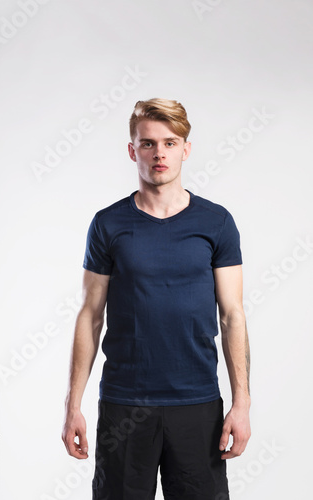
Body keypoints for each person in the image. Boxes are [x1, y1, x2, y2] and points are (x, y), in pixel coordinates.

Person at [61, 98, 251, 500]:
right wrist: (72, 404)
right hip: (124, 405)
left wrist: (242, 404)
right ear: (133, 150)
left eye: (170, 142)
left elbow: (232, 316)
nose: (159, 153)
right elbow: (90, 315)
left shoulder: (216, 223)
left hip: (197, 403)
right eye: (148, 143)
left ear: (186, 148)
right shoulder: (108, 223)